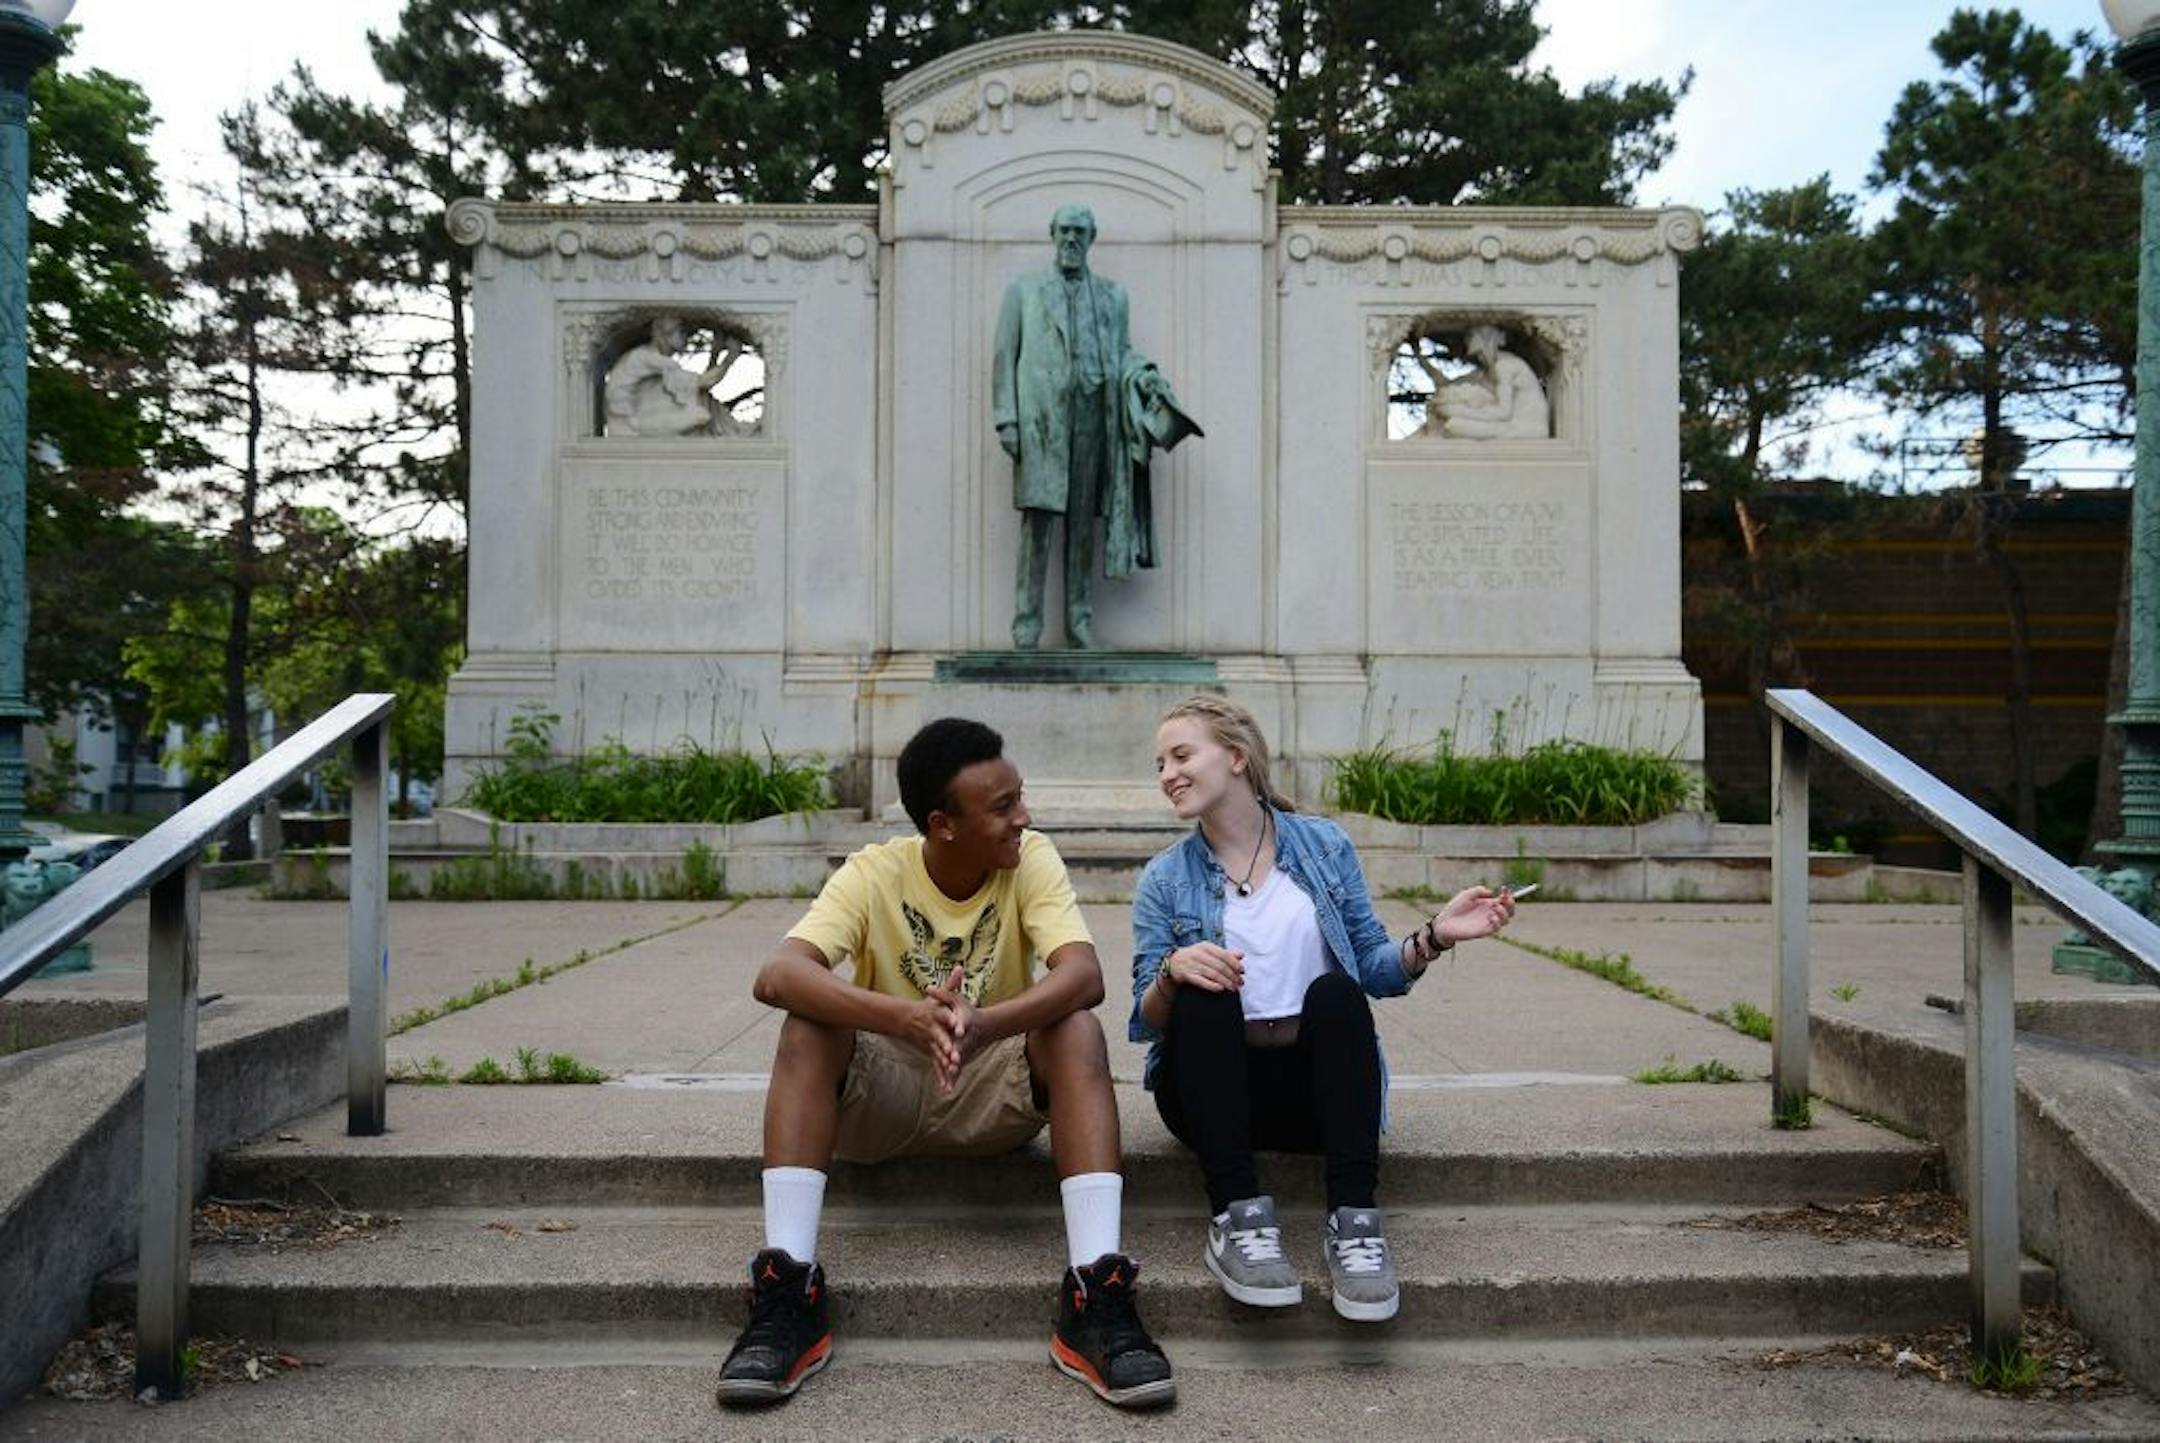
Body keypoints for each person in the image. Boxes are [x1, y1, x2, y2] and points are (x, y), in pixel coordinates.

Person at [717, 717, 1174, 1409]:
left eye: (1019, 797)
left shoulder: (1032, 858)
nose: (1023, 817)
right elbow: (777, 972)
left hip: (995, 1092)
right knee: (808, 1023)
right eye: (1002, 808)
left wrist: (985, 1022)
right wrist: (903, 1016)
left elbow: (1083, 974)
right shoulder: (874, 871)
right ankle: (788, 1286)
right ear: (943, 824)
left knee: (1075, 1027)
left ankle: (1095, 1293)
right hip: (886, 1096)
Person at [1130, 696, 1517, 1321]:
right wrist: (1172, 972)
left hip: (1312, 1097)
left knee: (1336, 994)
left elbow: (1375, 971)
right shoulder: (1165, 879)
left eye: (1181, 755)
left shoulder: (1323, 847)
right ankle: (1236, 1218)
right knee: (1202, 991)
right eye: (1158, 764)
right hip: (1209, 1096)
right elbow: (1144, 1020)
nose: (1167, 774)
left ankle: (1356, 1227)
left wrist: (1437, 935)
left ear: (1235, 757)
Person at [991, 204, 1199, 649]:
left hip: (1093, 422)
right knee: (1039, 524)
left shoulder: (1112, 296)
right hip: (1040, 425)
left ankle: (1079, 621)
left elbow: (1121, 351)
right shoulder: (1023, 291)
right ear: (1052, 234)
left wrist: (1144, 375)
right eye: (1064, 230)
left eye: (1080, 232)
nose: (1071, 239)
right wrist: (1006, 419)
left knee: (1083, 526)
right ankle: (1026, 624)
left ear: (1091, 238)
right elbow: (1004, 357)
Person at [603, 315, 747, 436]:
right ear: (665, 335)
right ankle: (734, 433)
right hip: (630, 427)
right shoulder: (650, 359)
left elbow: (696, 386)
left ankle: (733, 432)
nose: (686, 338)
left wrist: (715, 354)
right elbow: (705, 381)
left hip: (630, 421)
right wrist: (732, 356)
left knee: (703, 401)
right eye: (682, 332)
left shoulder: (646, 355)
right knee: (701, 416)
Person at [1419, 323, 1549, 440]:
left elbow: (1503, 413)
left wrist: (1457, 410)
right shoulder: (1495, 369)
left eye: (1480, 353)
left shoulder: (1505, 366)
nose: (1480, 358)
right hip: (1512, 425)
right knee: (1454, 425)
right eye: (1477, 355)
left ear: (1489, 344)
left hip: (1527, 429)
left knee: (1454, 426)